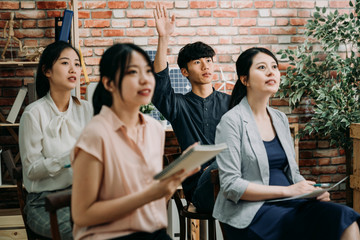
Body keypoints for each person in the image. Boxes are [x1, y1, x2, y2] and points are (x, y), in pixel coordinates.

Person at [213, 47, 360, 240]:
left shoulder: (280, 118)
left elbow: (293, 173)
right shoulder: (231, 122)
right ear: (245, 80)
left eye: (274, 66)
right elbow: (231, 185)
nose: (271, 71)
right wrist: (288, 190)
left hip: (291, 201)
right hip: (252, 212)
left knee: (345, 217)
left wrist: (310, 191)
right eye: (262, 67)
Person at [71, 43, 197, 240]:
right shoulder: (95, 134)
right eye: (132, 72)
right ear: (109, 83)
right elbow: (82, 215)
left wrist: (169, 186)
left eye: (148, 71)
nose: (145, 79)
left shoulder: (154, 129)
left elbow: (151, 205)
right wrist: (152, 194)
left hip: (151, 232)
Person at [153, 3, 230, 213]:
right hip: (200, 187)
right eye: (198, 62)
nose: (206, 66)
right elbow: (160, 83)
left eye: (209, 60)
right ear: (185, 72)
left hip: (232, 182)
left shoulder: (230, 102)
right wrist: (163, 38)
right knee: (220, 167)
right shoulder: (178, 105)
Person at [18, 40, 93, 239]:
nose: (73, 69)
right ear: (47, 71)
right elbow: (31, 171)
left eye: (77, 64)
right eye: (65, 63)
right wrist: (68, 158)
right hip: (44, 203)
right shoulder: (33, 114)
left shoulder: (86, 109)